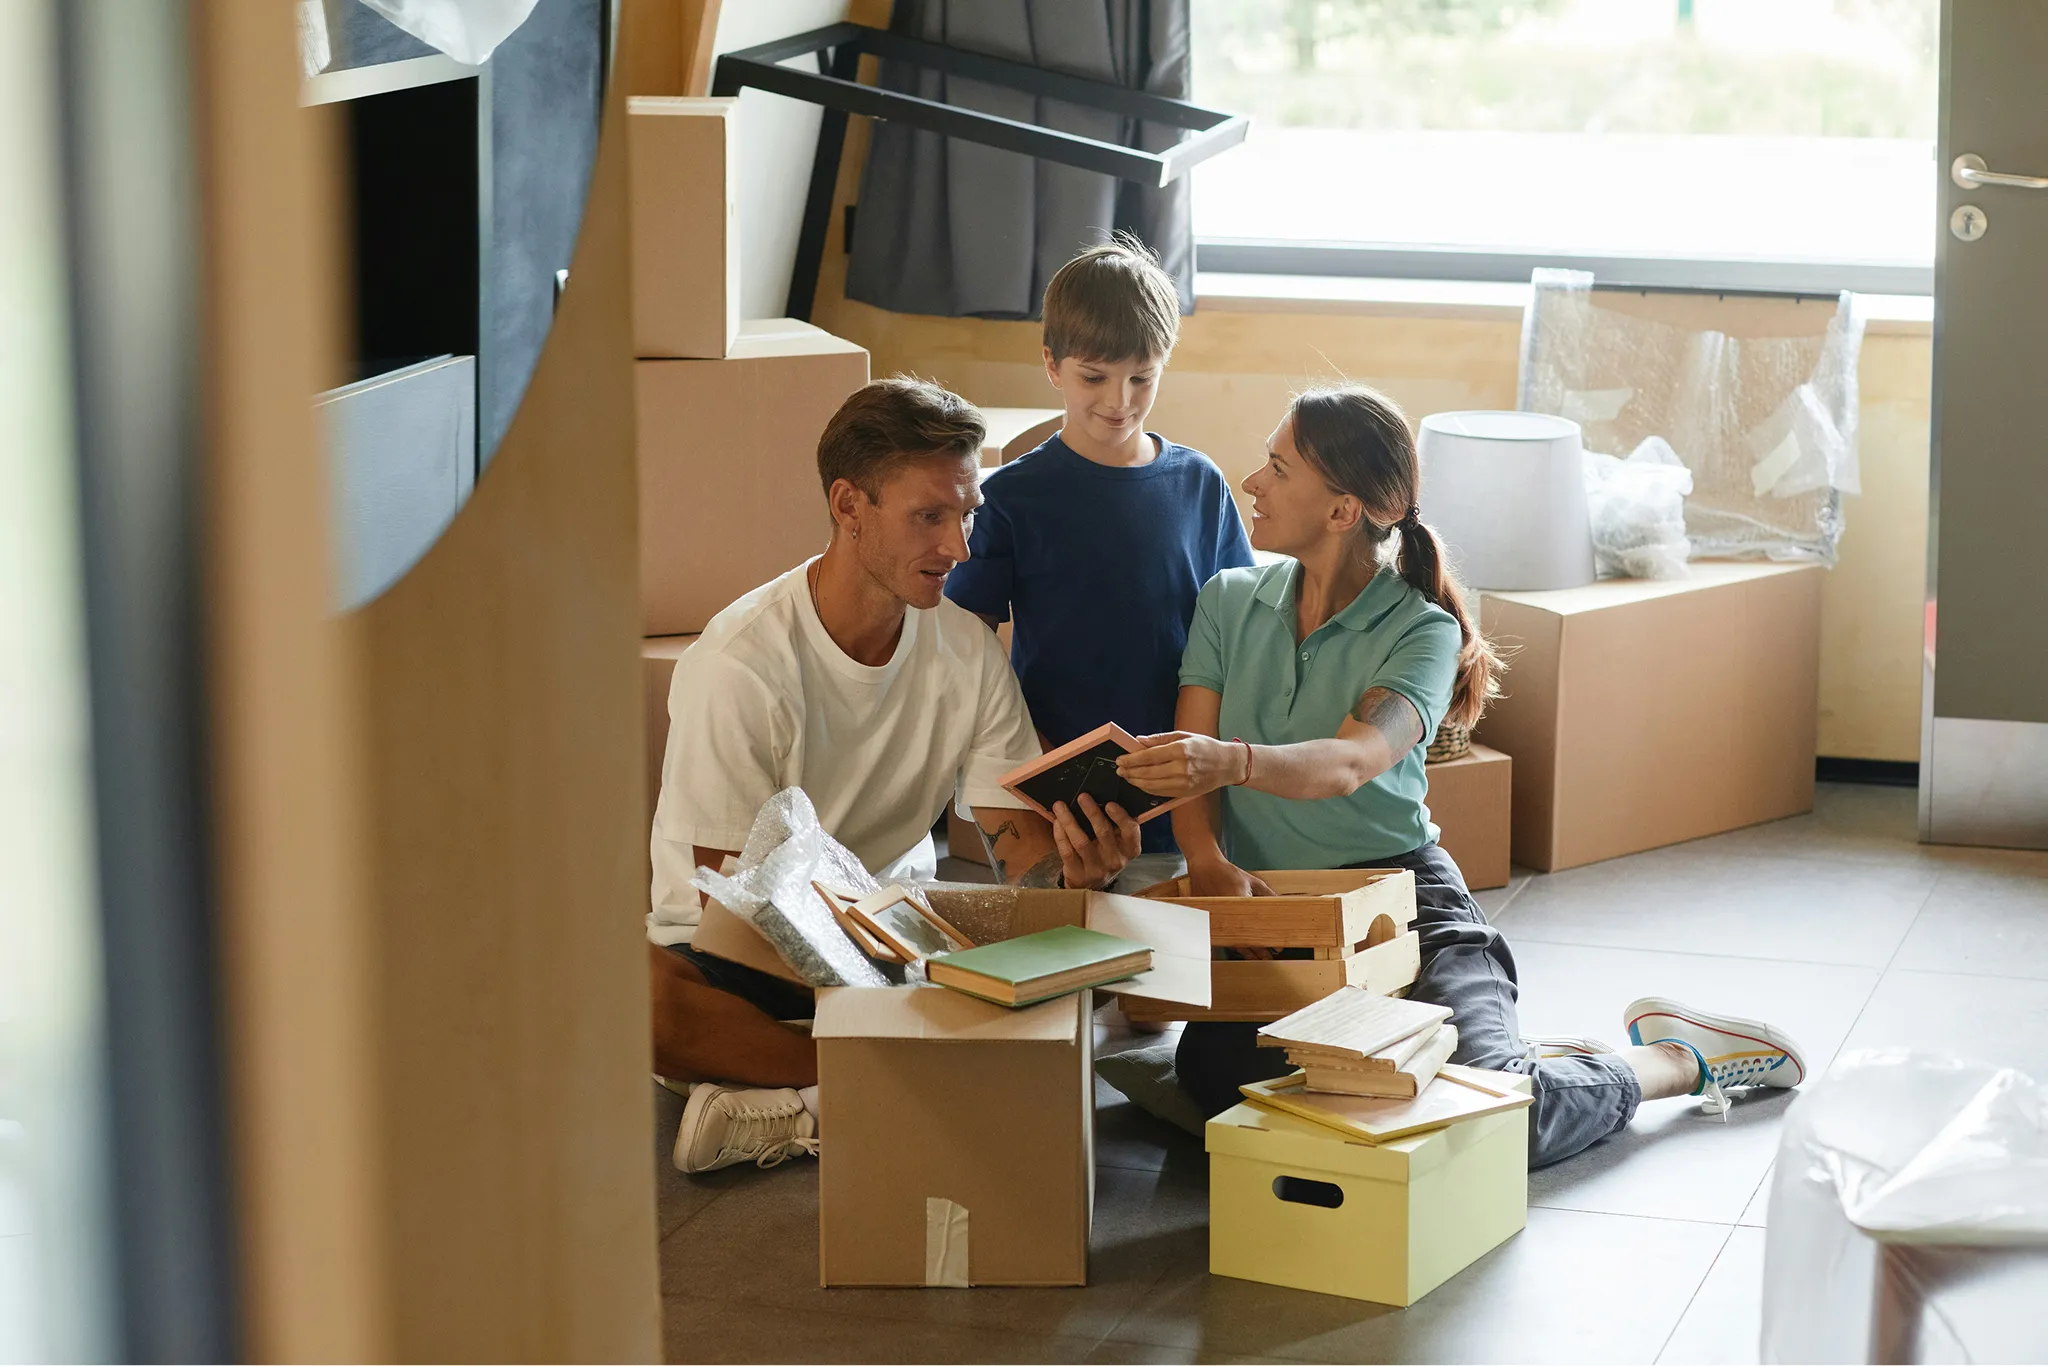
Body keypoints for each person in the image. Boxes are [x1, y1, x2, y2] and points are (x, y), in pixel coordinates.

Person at [1115, 385, 1808, 1167]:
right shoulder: (1229, 599)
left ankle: (1676, 1060)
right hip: (1282, 917)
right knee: (1219, 1080)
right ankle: (1486, 1049)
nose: (1253, 481)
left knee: (1501, 1122)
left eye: (1278, 467)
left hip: (1408, 905)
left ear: (1344, 511)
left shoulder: (1422, 631)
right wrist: (1207, 863)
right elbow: (1191, 764)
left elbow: (1351, 763)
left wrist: (1235, 762)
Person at [648, 377, 1141, 1173]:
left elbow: (1022, 852)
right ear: (849, 507)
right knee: (640, 1000)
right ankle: (883, 1068)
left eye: (967, 514)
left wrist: (1081, 872)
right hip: (742, 958)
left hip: (896, 936)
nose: (960, 548)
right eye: (929, 518)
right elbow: (732, 904)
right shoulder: (740, 665)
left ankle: (804, 1094)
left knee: (1099, 942)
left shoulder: (965, 649)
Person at [942, 236, 1253, 893]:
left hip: (1184, 801)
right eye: (1095, 377)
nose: (1120, 400)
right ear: (1052, 365)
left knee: (1175, 974)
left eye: (1143, 378)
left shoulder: (1200, 484)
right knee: (1074, 957)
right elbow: (964, 647)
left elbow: (1242, 630)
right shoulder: (1010, 498)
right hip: (1058, 797)